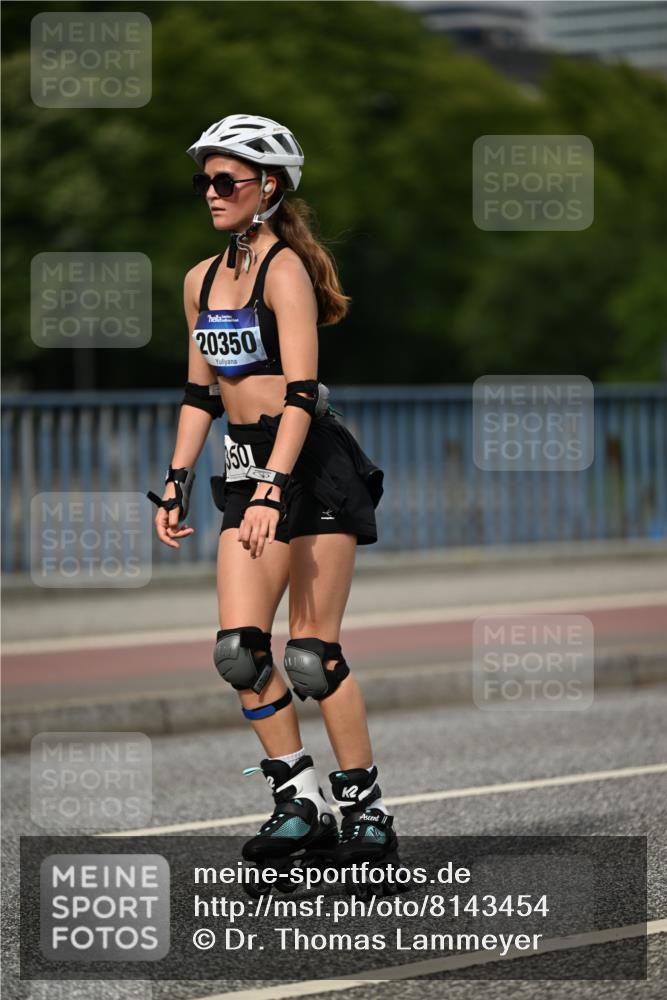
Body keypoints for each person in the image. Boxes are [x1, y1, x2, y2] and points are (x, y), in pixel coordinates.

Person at [148, 114, 398, 876]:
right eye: (205, 181)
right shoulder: (199, 280)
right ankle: (297, 803)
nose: (211, 193)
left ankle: (365, 813)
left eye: (226, 181)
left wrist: (271, 489)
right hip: (243, 463)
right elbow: (200, 395)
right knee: (239, 652)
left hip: (308, 462)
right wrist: (177, 480)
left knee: (312, 657)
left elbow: (300, 392)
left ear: (269, 187)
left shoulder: (284, 270)